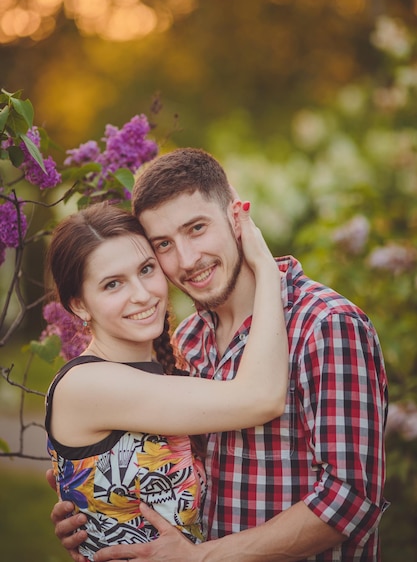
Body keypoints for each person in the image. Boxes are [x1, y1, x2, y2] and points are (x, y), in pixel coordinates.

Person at [50, 148, 389, 562]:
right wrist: (90, 503)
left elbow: (351, 500)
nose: (187, 260)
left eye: (196, 228)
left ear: (236, 216)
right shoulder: (188, 339)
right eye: (164, 245)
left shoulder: (326, 325)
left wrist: (204, 557)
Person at [44, 200, 288, 562]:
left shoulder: (167, 365)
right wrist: (266, 267)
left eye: (146, 269)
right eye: (113, 284)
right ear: (80, 305)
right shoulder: (88, 384)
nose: (142, 294)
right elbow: (261, 398)